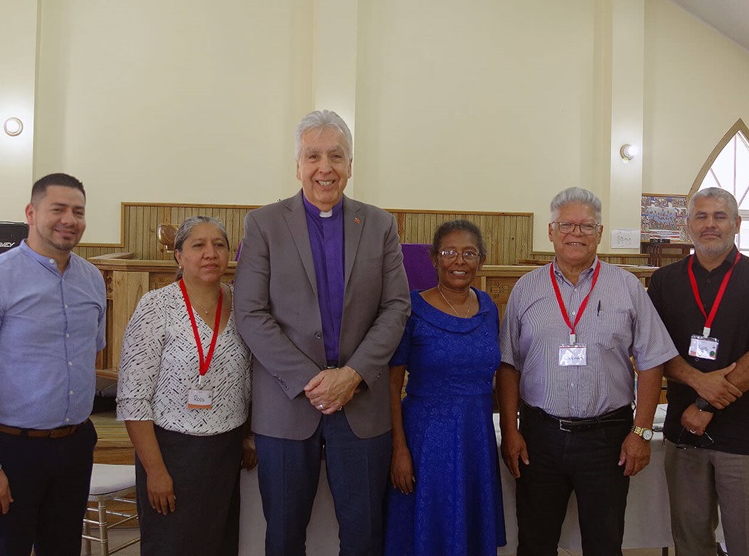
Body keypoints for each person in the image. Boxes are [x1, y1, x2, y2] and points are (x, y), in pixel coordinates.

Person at [234, 109, 411, 555]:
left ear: (350, 165)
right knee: (285, 535)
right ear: (297, 166)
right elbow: (251, 313)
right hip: (287, 405)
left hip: (362, 404)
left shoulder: (380, 224)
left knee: (364, 533)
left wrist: (352, 375)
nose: (325, 168)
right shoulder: (264, 224)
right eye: (313, 156)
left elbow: (396, 307)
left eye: (336, 156)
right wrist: (310, 382)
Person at [496, 186, 677, 556]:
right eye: (566, 224)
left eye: (586, 226)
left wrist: (641, 432)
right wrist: (511, 430)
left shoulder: (627, 287)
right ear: (550, 231)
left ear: (600, 232)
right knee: (535, 541)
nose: (575, 233)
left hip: (607, 440)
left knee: (604, 542)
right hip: (540, 437)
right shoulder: (525, 289)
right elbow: (508, 363)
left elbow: (652, 359)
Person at [0, 173, 106, 556]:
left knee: (62, 548)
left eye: (78, 211)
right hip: (10, 448)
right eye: (58, 209)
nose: (70, 219)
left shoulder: (93, 280)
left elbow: (92, 353)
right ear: (31, 213)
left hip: (73, 444)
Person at [647, 187, 749, 556]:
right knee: (690, 543)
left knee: (748, 544)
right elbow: (654, 350)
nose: (710, 224)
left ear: (737, 224)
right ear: (688, 226)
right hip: (685, 433)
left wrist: (707, 404)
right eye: (702, 216)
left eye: (720, 216)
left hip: (747, 434)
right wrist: (699, 382)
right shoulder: (665, 282)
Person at [117, 216, 255, 556]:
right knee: (172, 546)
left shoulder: (244, 305)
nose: (210, 253)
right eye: (198, 245)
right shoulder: (156, 306)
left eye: (219, 245)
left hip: (226, 451)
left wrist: (249, 434)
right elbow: (134, 396)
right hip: (171, 452)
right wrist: (155, 470)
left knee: (220, 545)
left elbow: (253, 375)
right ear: (179, 256)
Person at [384, 219, 506, 555]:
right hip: (425, 442)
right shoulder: (411, 309)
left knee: (468, 532)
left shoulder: (488, 310)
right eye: (449, 252)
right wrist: (399, 450)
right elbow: (392, 386)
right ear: (434, 258)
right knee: (428, 532)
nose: (459, 261)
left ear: (481, 260)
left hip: (475, 439)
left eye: (469, 253)